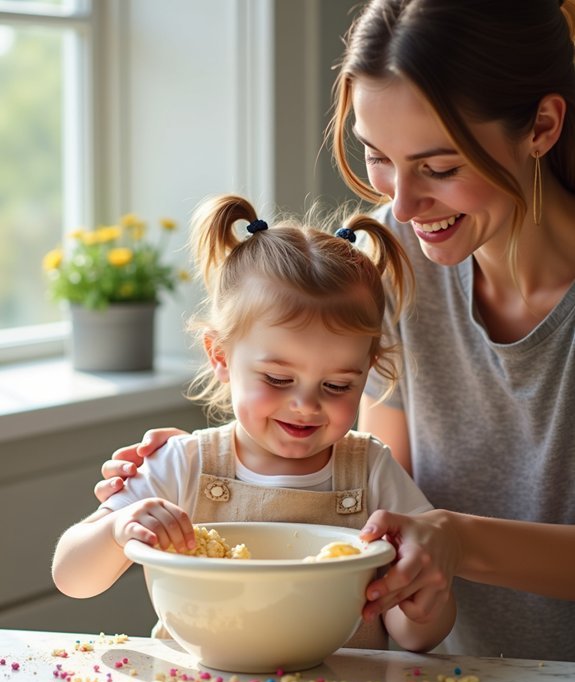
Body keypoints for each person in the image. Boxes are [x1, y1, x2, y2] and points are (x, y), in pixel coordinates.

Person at [93, 4, 575, 682]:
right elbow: (364, 488)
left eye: (437, 166)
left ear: (541, 125)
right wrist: (225, 459)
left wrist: (454, 538)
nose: (401, 202)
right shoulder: (399, 258)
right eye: (376, 156)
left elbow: (425, 530)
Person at [53, 193, 456, 654]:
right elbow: (72, 577)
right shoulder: (182, 463)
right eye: (279, 379)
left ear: (369, 370)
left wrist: (424, 597)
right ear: (220, 356)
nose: (306, 405)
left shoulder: (372, 471)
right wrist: (117, 528)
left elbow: (415, 636)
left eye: (338, 385)